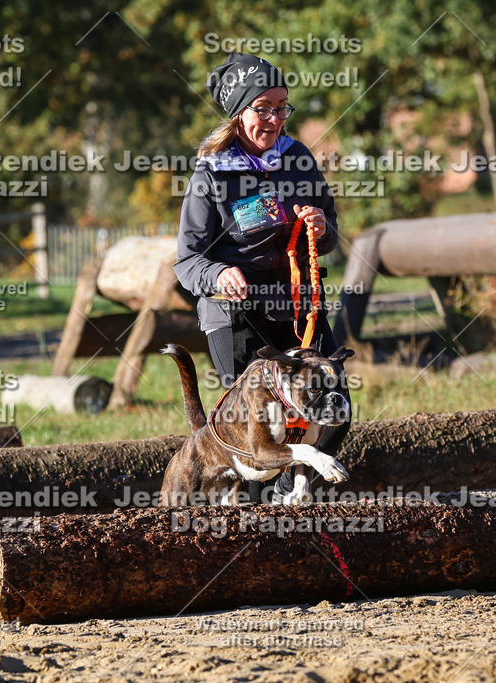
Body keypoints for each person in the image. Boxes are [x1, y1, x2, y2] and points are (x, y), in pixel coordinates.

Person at [174, 52, 346, 501]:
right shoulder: (211, 172)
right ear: (238, 112)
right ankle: (254, 519)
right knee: (256, 425)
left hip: (295, 306)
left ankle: (291, 501)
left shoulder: (298, 158)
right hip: (235, 313)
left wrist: (322, 230)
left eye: (282, 107)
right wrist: (218, 272)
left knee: (332, 405)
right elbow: (187, 261)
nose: (274, 119)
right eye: (262, 108)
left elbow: (329, 232)